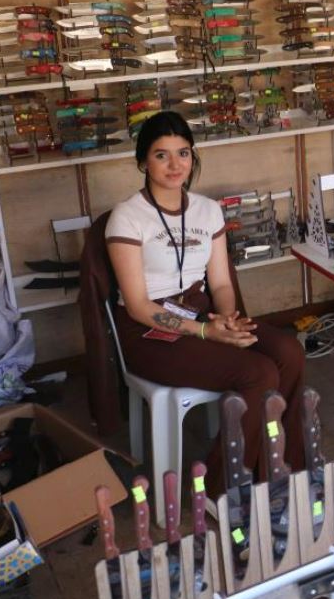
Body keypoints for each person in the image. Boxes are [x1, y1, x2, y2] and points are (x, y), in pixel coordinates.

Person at [105, 110, 305, 482]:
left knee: (289, 352)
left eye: (183, 153)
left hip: (201, 313)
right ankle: (222, 485)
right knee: (258, 373)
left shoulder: (207, 210)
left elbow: (222, 284)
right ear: (143, 162)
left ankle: (284, 462)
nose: (175, 164)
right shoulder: (127, 217)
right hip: (148, 330)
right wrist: (204, 332)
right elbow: (137, 305)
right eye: (161, 154)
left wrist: (225, 319)